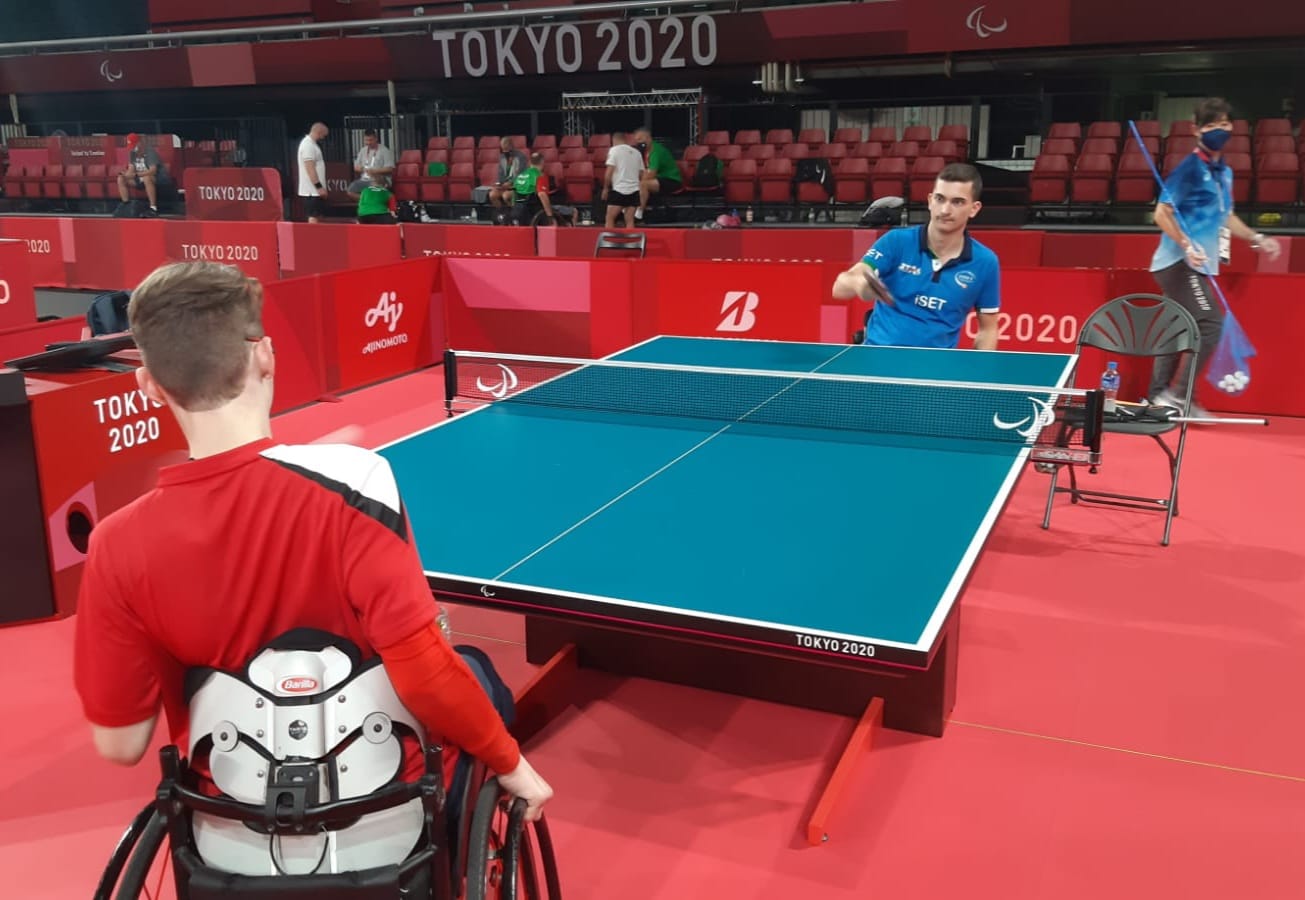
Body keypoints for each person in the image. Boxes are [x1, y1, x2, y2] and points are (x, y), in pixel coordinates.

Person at [71, 262, 554, 824]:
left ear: (148, 385)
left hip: (230, 812)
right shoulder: (355, 483)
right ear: (265, 355)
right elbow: (424, 674)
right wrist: (512, 764)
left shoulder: (114, 544)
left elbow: (121, 745)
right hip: (383, 802)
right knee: (474, 671)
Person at [1146, 97, 1281, 412]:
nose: (1218, 130)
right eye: (1210, 125)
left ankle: (1156, 395)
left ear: (1231, 127)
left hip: (1196, 264)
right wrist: (1186, 245)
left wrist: (1256, 237)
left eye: (1223, 123)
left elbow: (1226, 216)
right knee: (1210, 325)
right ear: (1196, 130)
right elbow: (1161, 214)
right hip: (1180, 262)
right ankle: (1179, 396)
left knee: (1177, 327)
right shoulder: (1190, 169)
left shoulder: (1224, 173)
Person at [832, 163, 1001, 350]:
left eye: (957, 202)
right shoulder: (897, 242)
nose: (945, 210)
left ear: (974, 208)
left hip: (937, 370)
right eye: (940, 199)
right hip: (878, 361)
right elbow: (840, 287)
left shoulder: (985, 262)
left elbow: (988, 329)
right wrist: (859, 284)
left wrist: (980, 372)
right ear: (930, 201)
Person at [115, 133, 170, 218]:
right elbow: (131, 169)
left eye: (134, 145)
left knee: (147, 177)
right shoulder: (132, 154)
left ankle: (153, 208)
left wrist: (136, 174)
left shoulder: (150, 152)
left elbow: (153, 171)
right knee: (121, 179)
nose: (133, 148)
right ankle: (126, 205)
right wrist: (125, 175)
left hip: (157, 178)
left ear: (139, 143)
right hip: (139, 178)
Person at [632, 127, 681, 221]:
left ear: (648, 138)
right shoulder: (644, 152)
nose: (638, 142)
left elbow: (651, 174)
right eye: (636, 140)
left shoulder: (656, 150)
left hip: (671, 180)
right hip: (658, 179)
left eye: (640, 139)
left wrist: (636, 183)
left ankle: (639, 213)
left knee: (643, 184)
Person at [512, 152, 574, 225]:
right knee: (573, 211)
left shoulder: (520, 176)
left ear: (530, 162)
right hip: (535, 212)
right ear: (542, 162)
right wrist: (550, 217)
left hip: (517, 212)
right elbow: (542, 195)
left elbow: (514, 195)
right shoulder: (540, 175)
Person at [602, 132, 643, 229]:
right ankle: (632, 243)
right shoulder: (637, 153)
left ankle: (609, 242)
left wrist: (605, 188)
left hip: (619, 190)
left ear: (614, 140)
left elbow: (609, 172)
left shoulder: (614, 150)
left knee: (610, 218)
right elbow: (641, 174)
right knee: (629, 220)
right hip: (634, 191)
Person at [346, 128, 395, 199]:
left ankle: (371, 200)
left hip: (381, 180)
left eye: (370, 140)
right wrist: (360, 168)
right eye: (366, 140)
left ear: (376, 139)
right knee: (351, 191)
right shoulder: (363, 150)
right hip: (365, 179)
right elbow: (355, 166)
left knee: (375, 181)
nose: (368, 142)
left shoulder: (384, 150)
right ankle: (368, 200)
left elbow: (390, 169)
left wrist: (374, 171)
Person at [297, 121, 329, 223]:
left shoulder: (312, 145)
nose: (323, 138)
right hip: (312, 191)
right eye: (323, 135)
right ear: (319, 132)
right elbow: (310, 168)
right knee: (313, 216)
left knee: (317, 215)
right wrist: (319, 187)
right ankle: (313, 237)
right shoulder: (308, 145)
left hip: (315, 191)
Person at [488, 137, 529, 210]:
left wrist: (510, 183)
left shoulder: (520, 157)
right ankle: (502, 213)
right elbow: (500, 174)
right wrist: (499, 184)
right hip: (505, 186)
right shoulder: (502, 157)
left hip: (517, 186)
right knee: (492, 195)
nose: (505, 152)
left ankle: (513, 213)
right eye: (503, 150)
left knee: (506, 196)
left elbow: (521, 175)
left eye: (507, 150)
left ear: (512, 147)